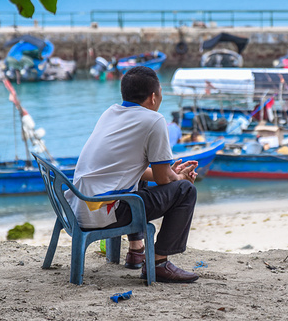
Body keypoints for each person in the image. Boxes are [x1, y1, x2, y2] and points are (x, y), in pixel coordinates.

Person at [66, 66, 200, 283]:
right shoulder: (154, 120)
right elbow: (164, 179)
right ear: (154, 96)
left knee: (139, 176)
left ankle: (137, 250)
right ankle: (158, 263)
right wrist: (179, 178)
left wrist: (168, 173)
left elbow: (145, 172)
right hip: (103, 213)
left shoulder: (110, 112)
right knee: (185, 191)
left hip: (80, 206)